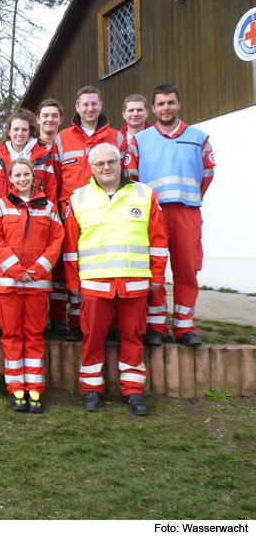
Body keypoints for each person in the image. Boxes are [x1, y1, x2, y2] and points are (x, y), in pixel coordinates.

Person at [63, 143, 168, 416]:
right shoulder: (78, 199)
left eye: (111, 162)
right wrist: (73, 283)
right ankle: (91, 390)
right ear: (92, 167)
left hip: (134, 281)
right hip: (94, 283)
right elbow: (70, 247)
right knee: (92, 338)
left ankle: (133, 393)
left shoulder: (144, 194)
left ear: (120, 162)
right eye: (99, 164)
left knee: (133, 337)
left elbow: (158, 239)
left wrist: (157, 273)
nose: (106, 167)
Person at [126, 84, 215, 346]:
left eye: (170, 103)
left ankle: (185, 327)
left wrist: (191, 197)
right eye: (161, 104)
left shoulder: (199, 137)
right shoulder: (139, 140)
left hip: (186, 211)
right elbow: (132, 178)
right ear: (153, 109)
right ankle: (156, 326)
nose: (166, 108)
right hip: (152, 213)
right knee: (154, 270)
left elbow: (207, 175)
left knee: (186, 269)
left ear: (178, 105)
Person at [0, 159, 64, 413]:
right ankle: (16, 390)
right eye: (17, 175)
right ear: (10, 179)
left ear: (34, 177)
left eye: (26, 174)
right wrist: (18, 271)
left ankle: (35, 389)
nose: (22, 179)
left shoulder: (49, 208)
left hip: (37, 286)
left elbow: (56, 242)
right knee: (11, 336)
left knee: (34, 336)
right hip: (8, 286)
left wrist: (38, 269)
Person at [55, 87, 129, 342]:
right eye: (85, 104)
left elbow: (126, 176)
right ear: (77, 107)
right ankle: (76, 320)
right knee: (75, 265)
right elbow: (54, 178)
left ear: (100, 105)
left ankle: (114, 322)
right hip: (74, 213)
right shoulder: (61, 138)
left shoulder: (117, 137)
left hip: (110, 210)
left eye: (94, 103)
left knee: (112, 263)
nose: (90, 108)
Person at [37, 99, 70, 337]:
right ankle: (36, 317)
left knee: (60, 268)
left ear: (61, 119)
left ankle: (59, 318)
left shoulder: (66, 144)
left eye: (54, 115)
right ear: (38, 119)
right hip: (36, 215)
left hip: (64, 212)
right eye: (45, 115)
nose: (49, 119)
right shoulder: (31, 147)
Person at [0, 109, 58, 208]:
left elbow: (50, 191)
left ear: (30, 132)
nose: (20, 133)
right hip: (6, 216)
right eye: (16, 129)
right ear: (9, 132)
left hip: (36, 215)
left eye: (24, 129)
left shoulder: (43, 157)